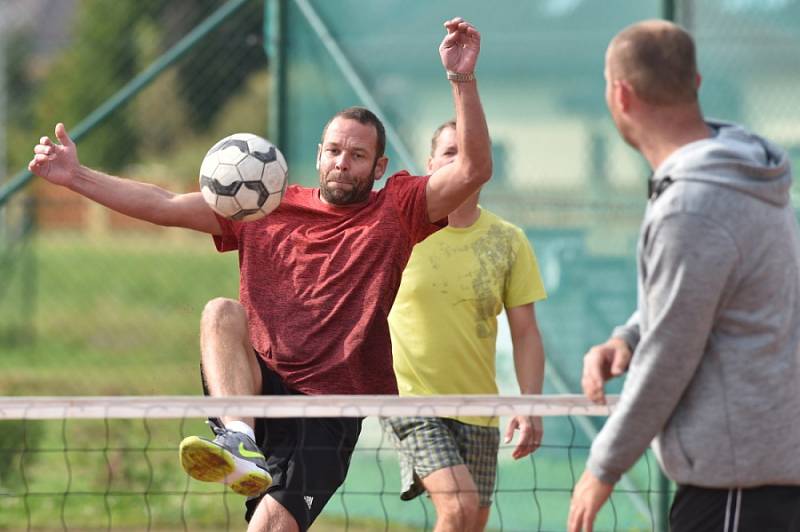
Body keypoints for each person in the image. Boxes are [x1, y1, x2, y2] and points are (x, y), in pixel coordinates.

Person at [28, 17, 492, 532]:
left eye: (357, 155)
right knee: (221, 312)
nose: (343, 162)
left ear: (378, 167)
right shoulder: (261, 205)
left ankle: (246, 447)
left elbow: (472, 169)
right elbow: (162, 203)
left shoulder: (398, 208)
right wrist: (76, 176)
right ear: (318, 156)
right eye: (334, 151)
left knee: (270, 528)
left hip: (330, 409)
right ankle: (238, 438)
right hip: (262, 390)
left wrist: (461, 80)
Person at [567, 19, 800, 532]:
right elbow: (704, 291)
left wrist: (601, 468)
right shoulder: (741, 177)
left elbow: (668, 357)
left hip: (738, 489)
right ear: (694, 84)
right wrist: (630, 333)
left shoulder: (692, 206)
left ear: (620, 95)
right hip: (755, 477)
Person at [381, 119, 547, 532]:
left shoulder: (508, 240)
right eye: (450, 152)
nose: (460, 161)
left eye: (470, 152)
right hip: (410, 400)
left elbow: (526, 333)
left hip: (479, 411)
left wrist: (530, 405)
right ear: (431, 163)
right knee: (459, 507)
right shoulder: (398, 229)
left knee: (469, 520)